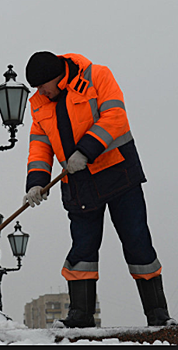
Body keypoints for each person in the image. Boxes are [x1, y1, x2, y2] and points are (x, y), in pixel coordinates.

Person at [22, 51, 176, 328]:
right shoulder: (39, 104)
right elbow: (39, 144)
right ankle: (80, 316)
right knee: (82, 249)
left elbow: (115, 117)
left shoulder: (96, 76)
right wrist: (36, 181)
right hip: (78, 184)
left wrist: (86, 150)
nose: (39, 91)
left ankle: (158, 314)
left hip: (119, 174)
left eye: (43, 85)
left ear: (57, 77)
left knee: (137, 241)